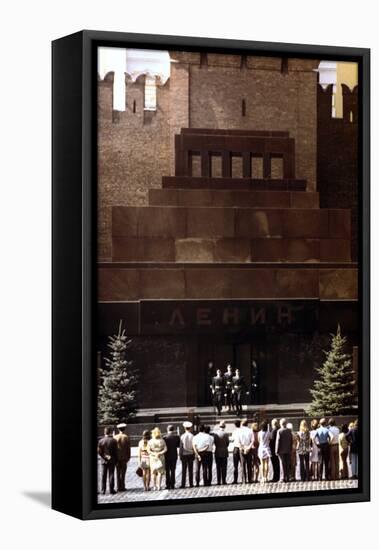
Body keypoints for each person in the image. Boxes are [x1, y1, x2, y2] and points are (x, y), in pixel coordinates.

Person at [98, 427, 118, 495]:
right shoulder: (114, 441)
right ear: (110, 432)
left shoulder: (101, 441)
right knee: (111, 474)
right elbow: (116, 452)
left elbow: (99, 452)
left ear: (104, 432)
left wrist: (104, 456)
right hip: (112, 460)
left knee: (103, 475)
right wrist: (116, 460)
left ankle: (103, 490)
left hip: (104, 461)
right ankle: (111, 489)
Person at [113, 422, 131, 492]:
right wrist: (128, 457)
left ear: (118, 429)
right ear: (124, 429)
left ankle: (118, 486)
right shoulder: (126, 437)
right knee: (123, 473)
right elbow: (128, 448)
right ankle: (122, 486)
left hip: (117, 458)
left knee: (117, 472)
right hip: (124, 458)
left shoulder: (115, 437)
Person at [275, 418, 292, 483]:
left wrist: (276, 450)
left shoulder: (279, 431)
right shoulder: (289, 430)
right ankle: (287, 477)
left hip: (281, 450)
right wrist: (290, 448)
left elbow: (278, 441)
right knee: (287, 464)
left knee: (282, 464)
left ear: (280, 423)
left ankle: (282, 478)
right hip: (288, 449)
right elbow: (291, 440)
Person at [212, 421, 229, 485]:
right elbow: (227, 443)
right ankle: (224, 480)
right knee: (224, 467)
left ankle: (218, 481)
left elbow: (215, 442)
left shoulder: (216, 434)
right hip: (224, 451)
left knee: (218, 467)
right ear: (224, 426)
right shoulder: (225, 434)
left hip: (218, 451)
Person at [163, 425, 180, 489]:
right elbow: (178, 445)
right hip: (174, 456)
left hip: (167, 456)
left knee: (167, 471)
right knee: (173, 470)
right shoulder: (176, 437)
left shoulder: (164, 438)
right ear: (173, 429)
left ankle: (168, 484)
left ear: (167, 429)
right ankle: (173, 484)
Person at [180, 421, 194, 488]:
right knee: (190, 470)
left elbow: (181, 447)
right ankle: (191, 483)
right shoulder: (192, 436)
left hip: (184, 454)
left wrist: (180, 455)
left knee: (184, 470)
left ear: (185, 428)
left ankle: (183, 484)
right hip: (191, 454)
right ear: (190, 428)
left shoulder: (182, 436)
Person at [239, 418, 253, 483]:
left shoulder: (240, 431)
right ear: (247, 424)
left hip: (242, 448)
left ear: (242, 424)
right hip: (248, 448)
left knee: (243, 464)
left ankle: (244, 480)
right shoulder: (250, 431)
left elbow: (238, 441)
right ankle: (250, 479)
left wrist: (243, 448)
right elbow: (252, 441)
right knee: (249, 465)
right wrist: (248, 448)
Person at [269, 418, 280, 482]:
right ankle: (277, 476)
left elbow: (272, 441)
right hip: (278, 449)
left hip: (273, 450)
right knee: (277, 464)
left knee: (274, 464)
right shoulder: (278, 429)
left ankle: (275, 477)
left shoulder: (273, 431)